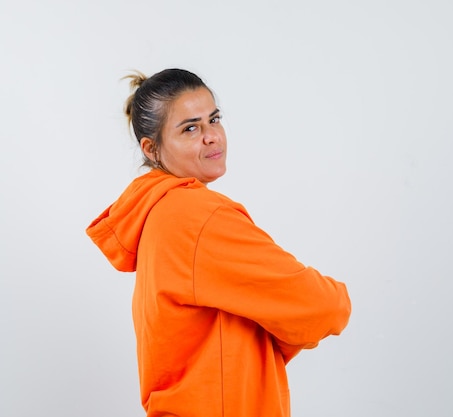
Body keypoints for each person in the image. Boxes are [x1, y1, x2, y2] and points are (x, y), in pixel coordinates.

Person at [86, 68, 351, 417]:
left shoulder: (157, 215)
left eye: (214, 119)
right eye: (190, 128)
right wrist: (286, 324)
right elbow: (326, 307)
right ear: (152, 149)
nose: (212, 136)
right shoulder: (197, 215)